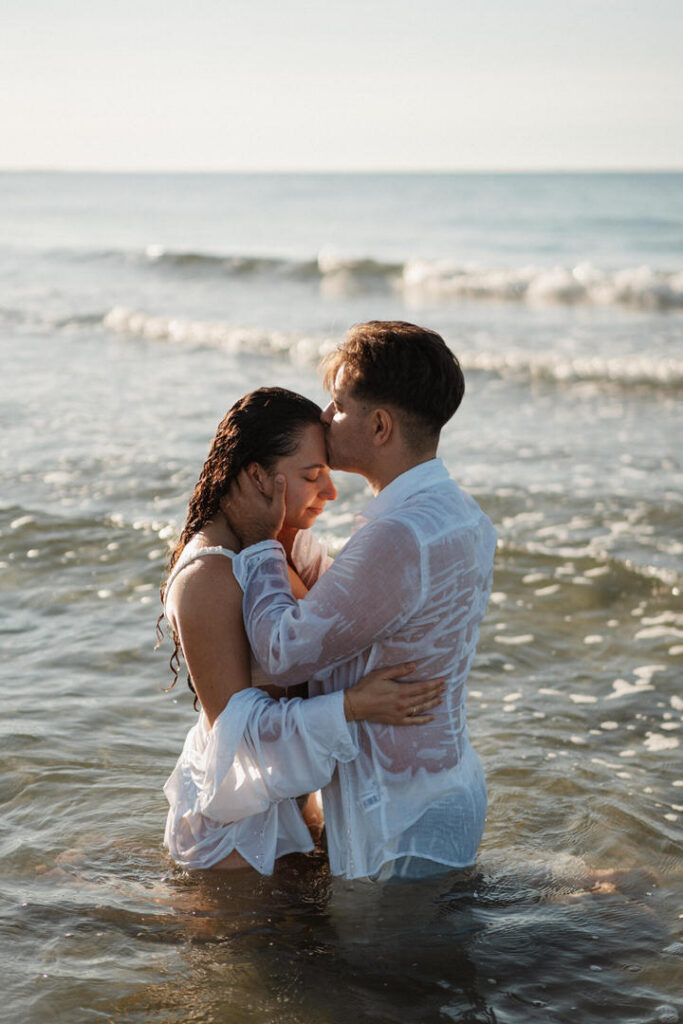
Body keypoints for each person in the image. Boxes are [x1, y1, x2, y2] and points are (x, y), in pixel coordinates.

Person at [224, 321, 497, 881]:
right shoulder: (463, 514)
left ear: (379, 425)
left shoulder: (397, 535)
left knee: (378, 970)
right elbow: (378, 611)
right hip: (443, 786)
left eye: (339, 404)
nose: (326, 416)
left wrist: (259, 544)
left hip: (393, 821)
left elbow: (283, 651)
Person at [159, 387, 446, 873]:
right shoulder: (207, 576)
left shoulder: (282, 545)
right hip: (238, 837)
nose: (331, 493)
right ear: (257, 477)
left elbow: (350, 618)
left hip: (293, 812)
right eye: (312, 477)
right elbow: (240, 739)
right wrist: (353, 706)